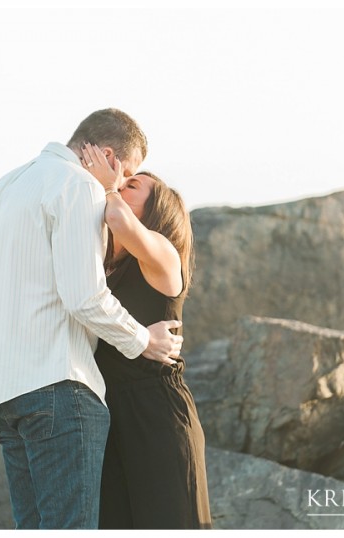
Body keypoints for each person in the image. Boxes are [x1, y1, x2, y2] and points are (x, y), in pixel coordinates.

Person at [0, 109, 184, 530]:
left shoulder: (4, 187)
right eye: (126, 173)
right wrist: (141, 340)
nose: (120, 183)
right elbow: (84, 297)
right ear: (110, 157)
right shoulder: (79, 186)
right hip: (55, 386)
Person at [80, 143, 212, 529]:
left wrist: (104, 184)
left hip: (157, 416)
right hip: (111, 416)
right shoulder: (103, 271)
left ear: (155, 213)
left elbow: (120, 221)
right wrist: (139, 335)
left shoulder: (165, 257)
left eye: (131, 185)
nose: (119, 185)